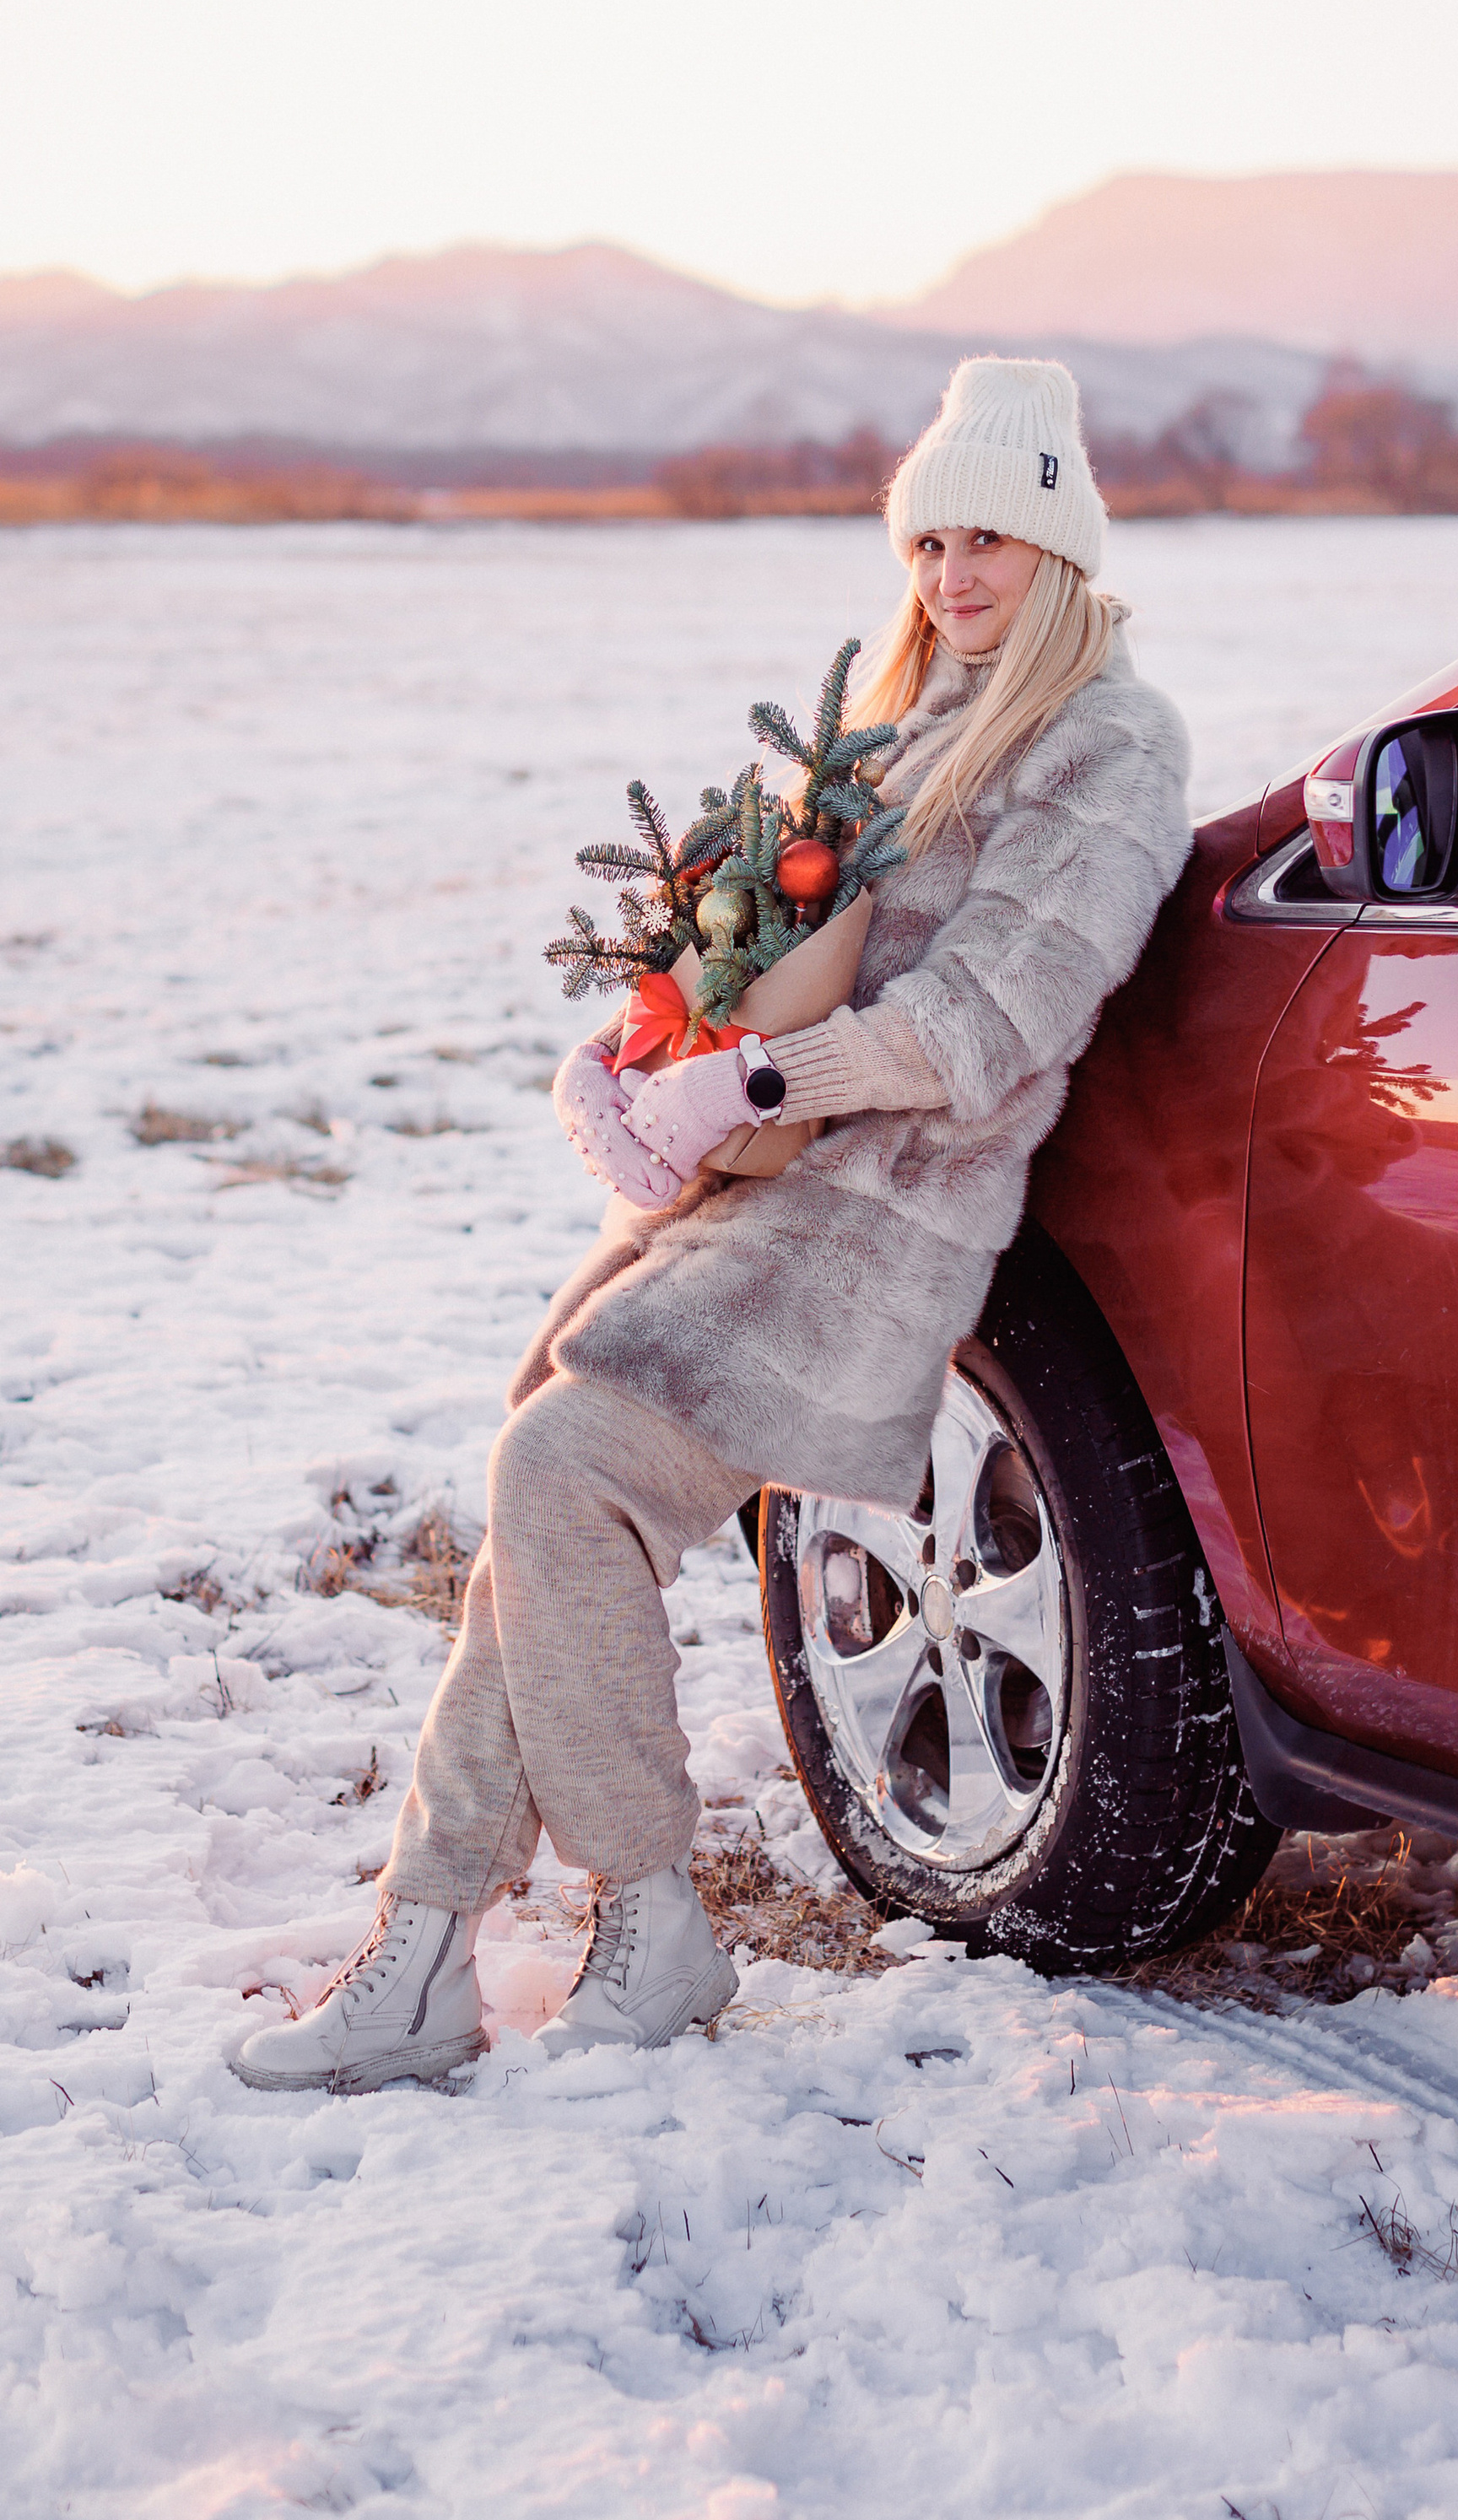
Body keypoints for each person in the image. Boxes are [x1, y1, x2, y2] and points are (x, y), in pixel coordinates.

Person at [235, 357, 1193, 2091]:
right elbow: (729, 959)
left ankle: (646, 1924)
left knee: (557, 1478)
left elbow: (990, 1019)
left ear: (1062, 550)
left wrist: (753, 1091)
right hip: (737, 1206)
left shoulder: (1107, 746)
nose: (954, 576)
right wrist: (628, 1061)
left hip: (870, 1226)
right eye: (930, 541)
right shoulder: (891, 734)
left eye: (994, 539)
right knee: (543, 1491)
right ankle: (432, 1941)